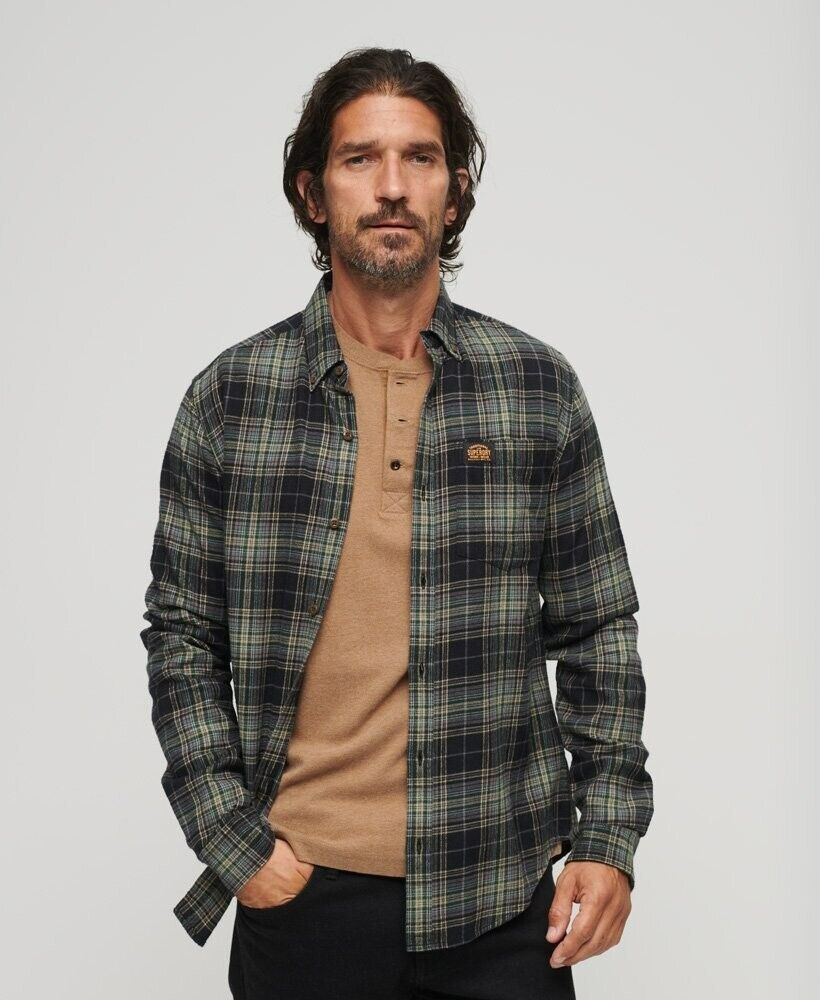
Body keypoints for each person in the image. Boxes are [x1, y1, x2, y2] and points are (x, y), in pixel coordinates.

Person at [141, 46, 654, 1000]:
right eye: (359, 158)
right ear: (312, 191)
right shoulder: (231, 398)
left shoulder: (535, 388)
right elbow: (181, 635)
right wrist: (236, 843)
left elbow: (598, 627)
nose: (391, 187)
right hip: (304, 903)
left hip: (501, 900)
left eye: (419, 158)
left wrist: (609, 838)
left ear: (454, 193)